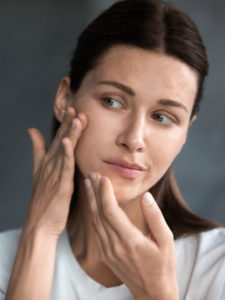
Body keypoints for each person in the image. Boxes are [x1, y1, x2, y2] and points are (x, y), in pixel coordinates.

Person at [0, 0, 224, 299]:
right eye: (113, 101)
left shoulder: (216, 265)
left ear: (185, 131)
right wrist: (38, 233)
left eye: (162, 117)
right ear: (65, 99)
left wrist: (157, 294)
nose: (133, 139)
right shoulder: (5, 259)